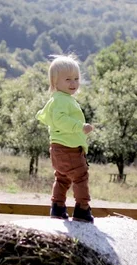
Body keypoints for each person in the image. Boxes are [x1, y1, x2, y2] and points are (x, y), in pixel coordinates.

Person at [36, 54, 94, 223]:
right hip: (69, 148)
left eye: (76, 79)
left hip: (57, 148)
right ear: (55, 82)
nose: (73, 83)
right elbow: (60, 120)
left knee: (62, 178)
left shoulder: (58, 99)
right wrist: (80, 127)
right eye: (68, 79)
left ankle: (58, 208)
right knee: (80, 176)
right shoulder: (62, 100)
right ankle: (82, 209)